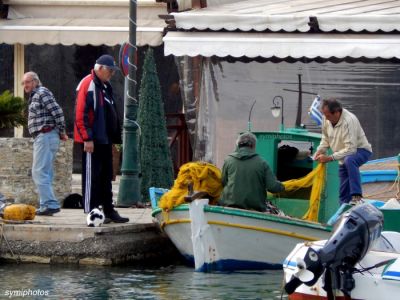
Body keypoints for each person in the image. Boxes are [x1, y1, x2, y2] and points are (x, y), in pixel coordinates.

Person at [74, 54, 129, 223]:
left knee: (106, 177)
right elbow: (80, 114)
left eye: (113, 71)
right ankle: (92, 211)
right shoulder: (88, 84)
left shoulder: (105, 85)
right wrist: (87, 138)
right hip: (93, 141)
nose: (112, 73)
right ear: (99, 68)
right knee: (92, 177)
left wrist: (114, 140)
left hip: (104, 140)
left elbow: (109, 113)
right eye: (110, 70)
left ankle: (109, 210)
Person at [23, 71, 68, 216]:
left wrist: (61, 130)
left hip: (46, 135)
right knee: (45, 172)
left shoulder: (42, 92)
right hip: (44, 136)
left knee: (38, 172)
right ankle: (44, 206)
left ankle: (51, 204)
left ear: (35, 81)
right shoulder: (36, 95)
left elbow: (57, 111)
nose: (25, 85)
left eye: (28, 82)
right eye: (23, 83)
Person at [313, 98, 372, 205]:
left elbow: (351, 149)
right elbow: (325, 139)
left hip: (361, 151)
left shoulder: (349, 121)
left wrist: (329, 158)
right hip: (342, 156)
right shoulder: (325, 119)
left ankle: (356, 196)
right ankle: (343, 213)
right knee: (343, 194)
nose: (326, 118)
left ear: (336, 112)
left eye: (328, 116)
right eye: (324, 115)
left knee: (349, 160)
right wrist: (320, 151)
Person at [219, 132, 285, 212]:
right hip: (254, 209)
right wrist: (283, 186)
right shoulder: (262, 163)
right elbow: (273, 187)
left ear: (238, 145)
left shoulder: (228, 160)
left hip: (228, 206)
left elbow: (223, 182)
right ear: (253, 146)